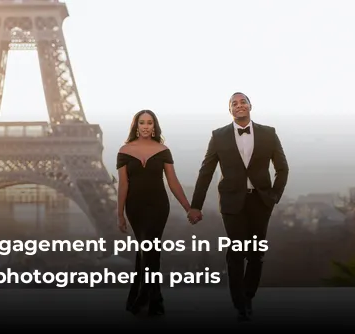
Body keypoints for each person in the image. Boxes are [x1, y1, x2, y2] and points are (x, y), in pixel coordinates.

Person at [187, 92, 289, 322]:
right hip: (232, 201)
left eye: (243, 101)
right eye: (234, 103)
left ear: (251, 106)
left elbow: (283, 168)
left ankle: (248, 296)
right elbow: (206, 172)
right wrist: (195, 206)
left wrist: (274, 196)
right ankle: (240, 302)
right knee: (236, 249)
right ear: (230, 110)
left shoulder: (268, 133)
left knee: (256, 253)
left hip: (261, 201)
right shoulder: (218, 136)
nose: (239, 105)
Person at [116, 109, 192, 316]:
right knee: (147, 253)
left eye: (150, 123)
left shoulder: (163, 150)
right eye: (142, 122)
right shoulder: (124, 151)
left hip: (158, 206)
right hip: (135, 208)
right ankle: (155, 301)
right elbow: (123, 185)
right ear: (136, 126)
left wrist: (188, 207)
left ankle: (141, 298)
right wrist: (120, 213)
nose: (146, 126)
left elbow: (173, 182)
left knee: (149, 249)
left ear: (155, 126)